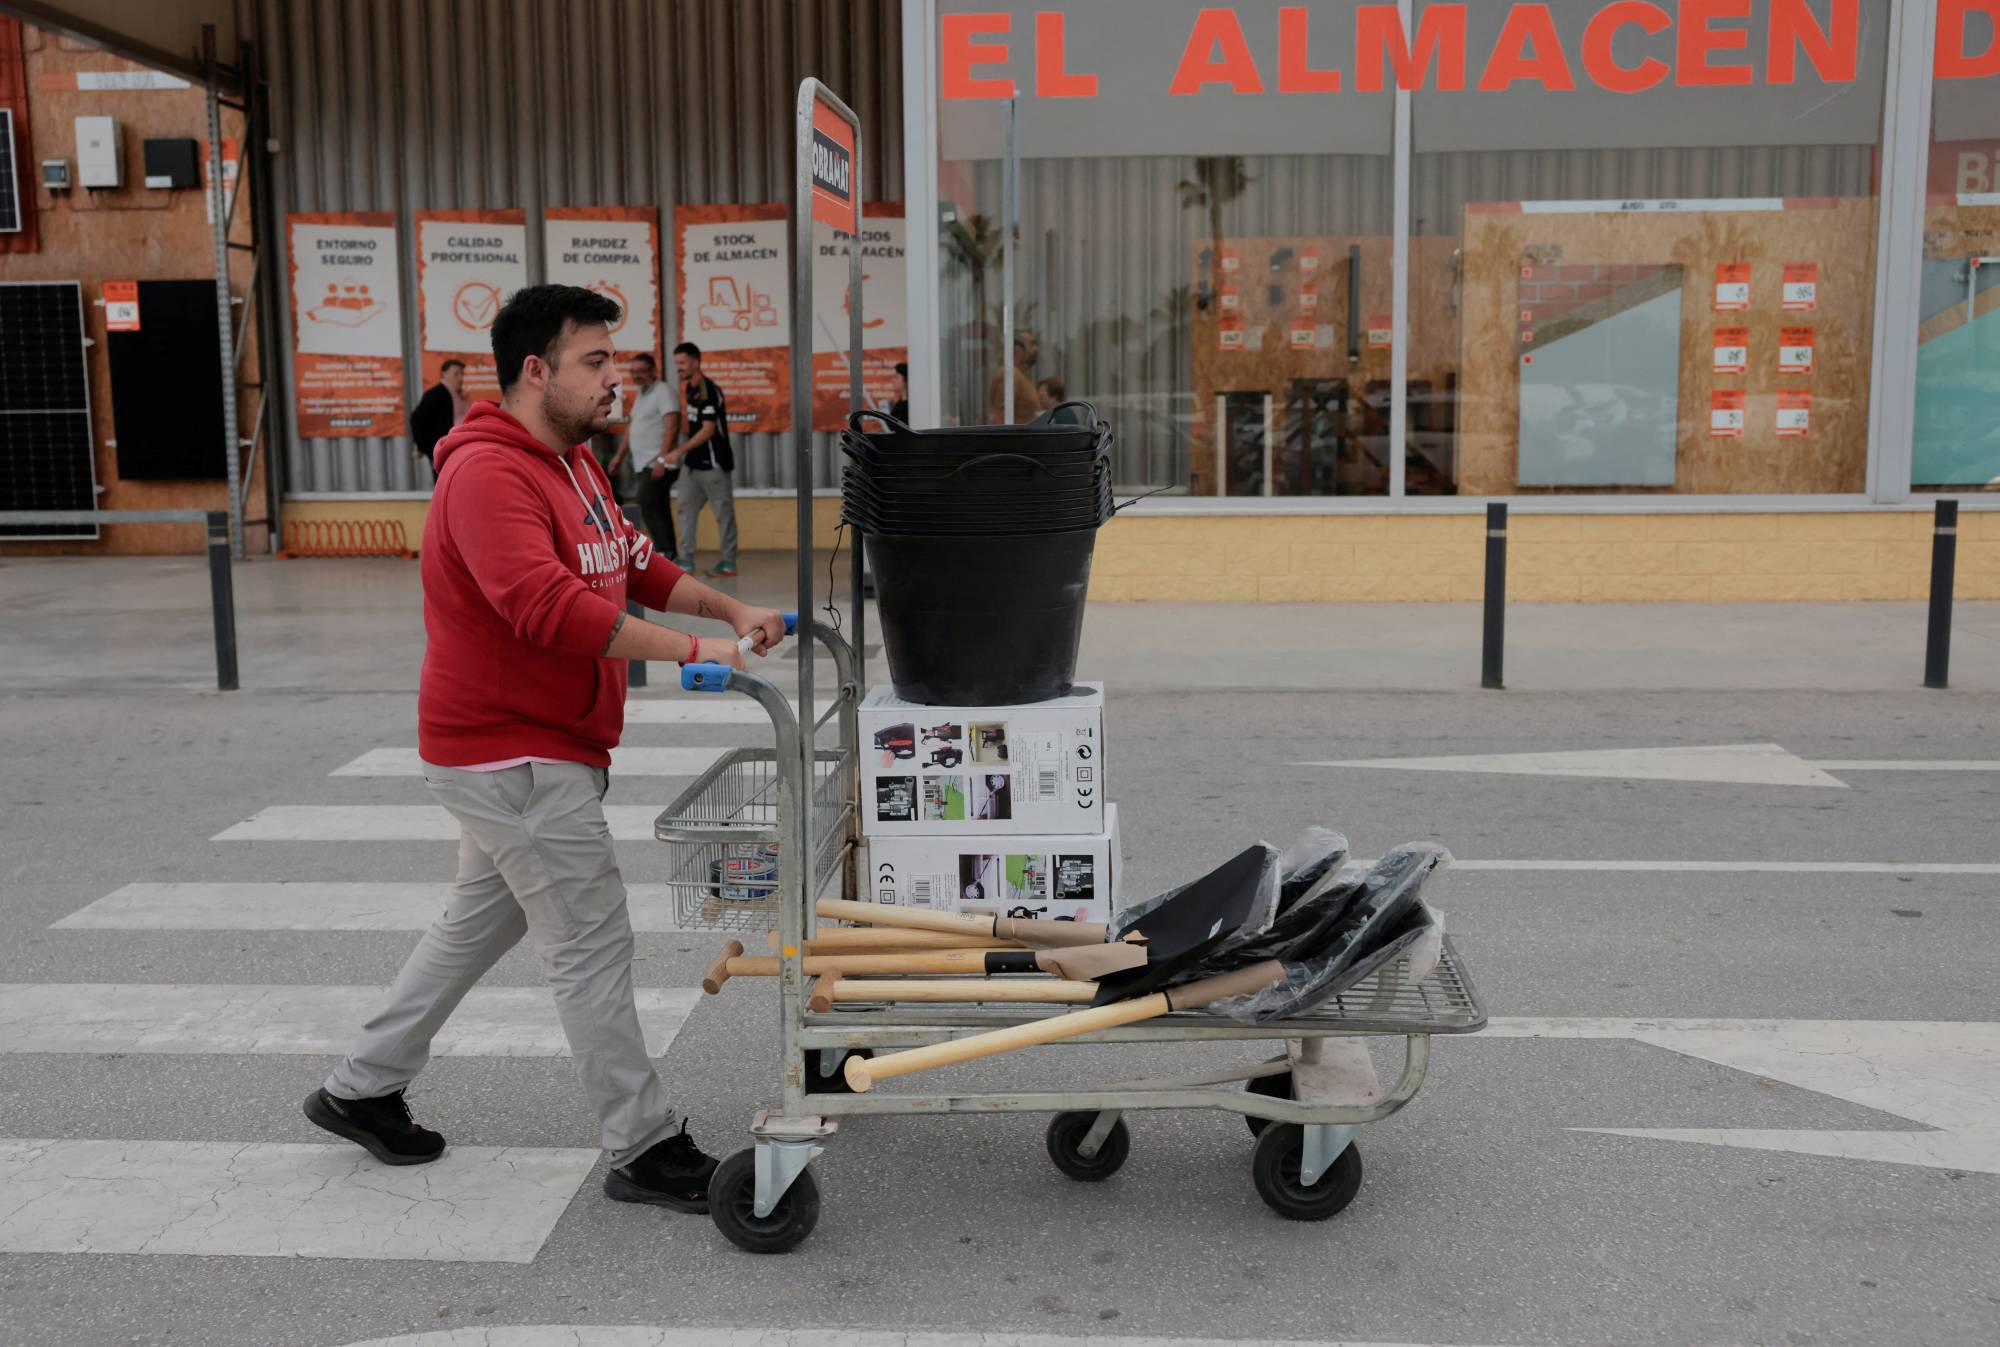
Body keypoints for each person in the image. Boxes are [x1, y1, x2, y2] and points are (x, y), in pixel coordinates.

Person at [305, 284, 783, 1216]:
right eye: (595, 361)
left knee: (478, 922)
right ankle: (644, 1147)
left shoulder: (573, 464)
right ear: (536, 370)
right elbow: (550, 609)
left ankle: (360, 1086)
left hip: (537, 745)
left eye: (615, 359)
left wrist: (730, 609)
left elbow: (629, 561)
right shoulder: (487, 475)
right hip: (508, 751)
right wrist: (699, 655)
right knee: (591, 937)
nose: (616, 377)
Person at [666, 341, 738, 579]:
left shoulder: (709, 389)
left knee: (723, 513)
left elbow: (708, 430)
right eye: (676, 363)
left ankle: (728, 562)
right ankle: (685, 559)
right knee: (685, 509)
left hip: (714, 464)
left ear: (696, 362)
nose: (679, 368)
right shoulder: (690, 388)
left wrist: (678, 451)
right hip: (692, 464)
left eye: (682, 363)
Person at [617, 352, 681, 560]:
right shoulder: (643, 394)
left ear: (653, 371)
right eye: (633, 371)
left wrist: (662, 460)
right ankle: (668, 552)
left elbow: (672, 426)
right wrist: (619, 456)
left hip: (658, 463)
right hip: (644, 463)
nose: (637, 375)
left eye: (642, 371)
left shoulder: (663, 391)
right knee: (657, 506)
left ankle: (665, 551)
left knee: (646, 501)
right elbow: (632, 427)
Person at [409, 359, 468, 467]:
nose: (461, 378)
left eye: (462, 374)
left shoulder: (456, 394)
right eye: (456, 374)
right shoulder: (435, 394)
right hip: (444, 450)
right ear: (444, 374)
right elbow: (416, 419)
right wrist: (422, 446)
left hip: (457, 448)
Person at [987, 328, 1039, 425]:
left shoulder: (1019, 376)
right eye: (1032, 344)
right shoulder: (1009, 375)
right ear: (1018, 350)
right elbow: (999, 417)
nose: (1036, 349)